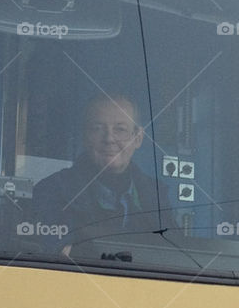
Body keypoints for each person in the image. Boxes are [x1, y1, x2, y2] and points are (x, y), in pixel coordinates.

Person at [30, 93, 168, 247]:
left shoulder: (157, 197)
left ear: (138, 138)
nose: (109, 139)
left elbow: (173, 253)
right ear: (84, 136)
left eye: (120, 129)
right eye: (97, 128)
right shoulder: (50, 192)